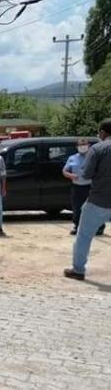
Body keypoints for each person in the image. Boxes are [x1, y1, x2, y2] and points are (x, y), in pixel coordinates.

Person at [65, 118, 111, 281]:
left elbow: (86, 174)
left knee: (84, 236)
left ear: (102, 132)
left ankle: (78, 270)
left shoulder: (98, 149)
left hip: (98, 200)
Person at [63, 138, 105, 236]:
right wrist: (71, 175)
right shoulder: (72, 158)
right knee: (77, 208)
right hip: (77, 187)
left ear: (89, 145)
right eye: (80, 145)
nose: (82, 147)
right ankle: (77, 227)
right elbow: (65, 171)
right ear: (77, 147)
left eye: (84, 144)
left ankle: (99, 227)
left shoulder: (94, 157)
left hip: (91, 187)